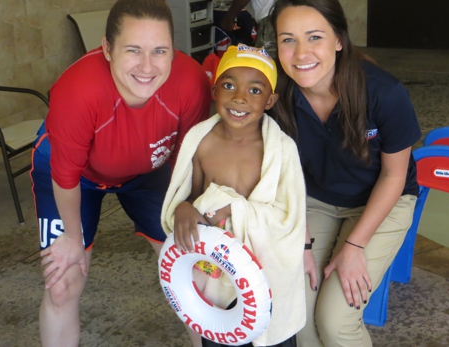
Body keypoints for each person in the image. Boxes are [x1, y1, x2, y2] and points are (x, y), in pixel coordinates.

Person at [30, 0, 212, 345]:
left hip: (149, 173)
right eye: (133, 50)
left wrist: (189, 207)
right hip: (76, 178)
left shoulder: (190, 82)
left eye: (160, 51)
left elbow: (191, 157)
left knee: (197, 273)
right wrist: (72, 238)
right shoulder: (77, 90)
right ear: (107, 49)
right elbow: (66, 176)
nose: (147, 66)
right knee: (62, 284)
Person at [268, 0, 422, 346]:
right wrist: (302, 242)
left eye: (314, 37)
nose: (301, 52)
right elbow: (281, 172)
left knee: (335, 321)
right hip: (315, 201)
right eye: (288, 39)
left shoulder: (383, 92)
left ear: (339, 39)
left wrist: (354, 245)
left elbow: (394, 176)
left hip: (382, 202)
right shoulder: (276, 93)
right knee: (298, 319)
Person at [161, 44, 307, 347]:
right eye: (229, 85)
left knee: (273, 339)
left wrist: (234, 210)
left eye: (255, 91)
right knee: (221, 336)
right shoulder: (200, 141)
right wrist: (184, 209)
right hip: (217, 273)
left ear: (270, 100)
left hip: (266, 273)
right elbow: (190, 196)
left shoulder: (282, 150)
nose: (240, 97)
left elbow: (289, 218)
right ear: (214, 91)